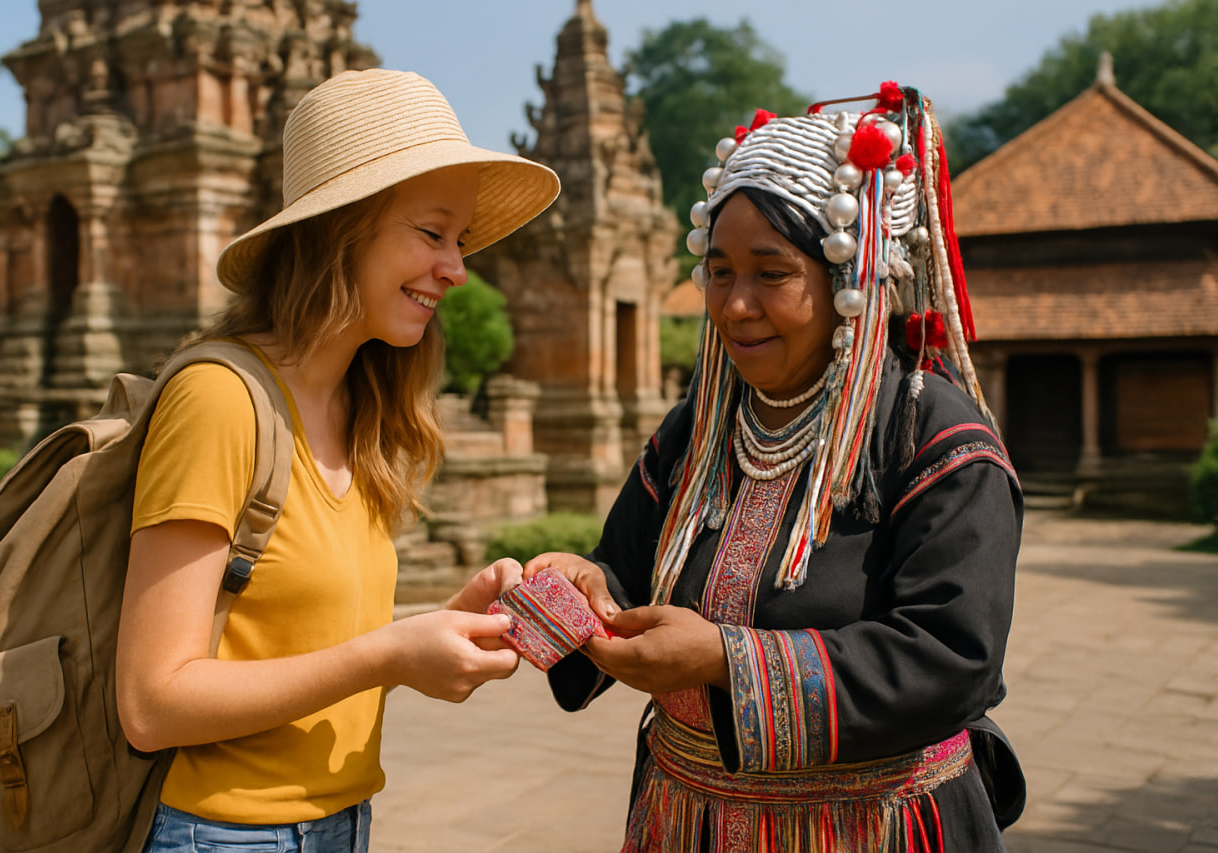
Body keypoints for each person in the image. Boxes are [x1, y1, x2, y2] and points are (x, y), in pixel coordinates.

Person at [528, 83, 1026, 851]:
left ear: (851, 281)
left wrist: (726, 659)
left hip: (873, 828)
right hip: (685, 818)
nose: (733, 304)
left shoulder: (934, 442)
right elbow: (624, 574)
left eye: (772, 272)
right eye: (720, 271)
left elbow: (949, 655)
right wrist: (572, 589)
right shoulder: (696, 432)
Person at [115, 68, 559, 853]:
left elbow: (294, 645)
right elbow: (153, 700)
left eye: (459, 241)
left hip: (336, 820)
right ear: (339, 229)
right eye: (432, 233)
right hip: (219, 831)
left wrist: (435, 630)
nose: (456, 269)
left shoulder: (364, 409)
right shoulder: (220, 399)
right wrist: (387, 652)